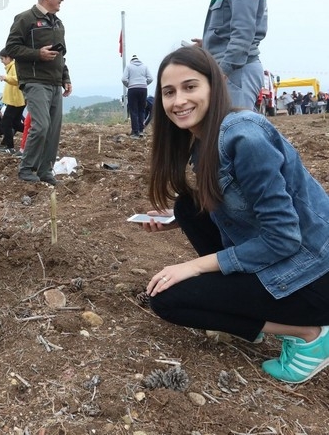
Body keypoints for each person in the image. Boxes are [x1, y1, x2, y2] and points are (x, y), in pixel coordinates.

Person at [140, 45, 329, 384]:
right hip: (292, 259)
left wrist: (194, 265)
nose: (178, 100)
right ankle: (249, 310)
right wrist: (175, 219)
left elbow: (283, 237)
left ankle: (309, 334)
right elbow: (241, 202)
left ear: (214, 85)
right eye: (169, 92)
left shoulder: (245, 137)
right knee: (187, 206)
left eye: (190, 86)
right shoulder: (206, 139)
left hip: (314, 275)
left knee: (167, 300)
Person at [5, 0, 72, 185]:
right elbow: (11, 48)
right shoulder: (25, 18)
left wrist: (65, 78)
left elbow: (62, 55)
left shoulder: (58, 23)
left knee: (53, 129)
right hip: (34, 81)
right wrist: (37, 54)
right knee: (41, 125)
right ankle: (27, 168)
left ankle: (45, 170)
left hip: (54, 82)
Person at [191, 0, 267, 110]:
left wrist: (224, 70)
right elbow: (227, 29)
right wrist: (208, 42)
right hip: (231, 69)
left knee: (237, 124)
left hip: (236, 70)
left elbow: (243, 32)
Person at [0, 48, 26, 153]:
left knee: (6, 122)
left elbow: (18, 80)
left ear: (8, 57)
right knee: (15, 123)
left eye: (2, 59)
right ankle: (33, 133)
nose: (2, 61)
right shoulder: (11, 67)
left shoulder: (14, 66)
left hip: (15, 101)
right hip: (16, 100)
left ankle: (10, 147)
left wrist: (5, 78)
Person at [122, 55, 153, 138]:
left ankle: (135, 132)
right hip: (143, 89)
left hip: (132, 89)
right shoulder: (144, 66)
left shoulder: (128, 66)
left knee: (134, 111)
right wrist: (144, 84)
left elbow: (124, 79)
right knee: (141, 110)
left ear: (131, 60)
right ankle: (141, 131)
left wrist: (129, 85)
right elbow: (150, 78)